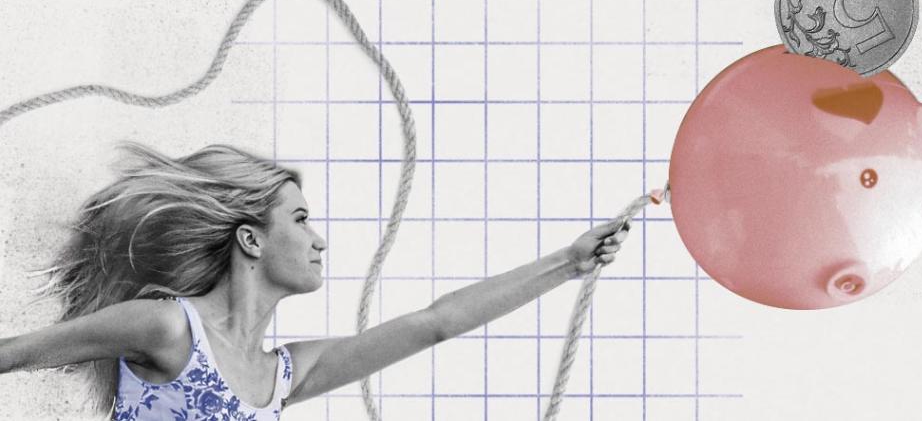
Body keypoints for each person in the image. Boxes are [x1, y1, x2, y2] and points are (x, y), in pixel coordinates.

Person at [0, 142, 630, 420]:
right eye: (300, 220)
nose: (319, 239)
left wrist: (568, 263)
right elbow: (13, 354)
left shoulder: (280, 376)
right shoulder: (167, 327)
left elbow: (435, 323)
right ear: (250, 240)